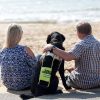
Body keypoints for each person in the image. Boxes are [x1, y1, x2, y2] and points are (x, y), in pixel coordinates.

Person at [43, 22, 100, 89]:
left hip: (83, 82)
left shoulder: (81, 44)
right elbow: (94, 61)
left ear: (78, 32)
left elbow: (68, 57)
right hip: (97, 81)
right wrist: (75, 68)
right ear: (90, 31)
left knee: (66, 78)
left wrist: (52, 48)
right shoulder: (98, 43)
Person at [0, 24, 37, 90]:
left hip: (8, 84)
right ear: (19, 35)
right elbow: (36, 66)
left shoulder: (2, 51)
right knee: (39, 57)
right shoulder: (24, 49)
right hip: (25, 84)